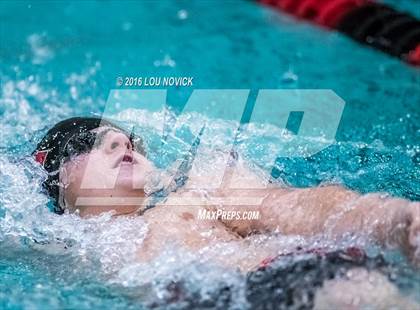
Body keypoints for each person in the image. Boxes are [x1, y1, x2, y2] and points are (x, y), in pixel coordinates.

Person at [33, 116, 420, 308]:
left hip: (287, 283)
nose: (121, 139)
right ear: (59, 185)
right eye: (87, 142)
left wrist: (397, 219)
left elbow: (296, 208)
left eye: (126, 137)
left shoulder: (200, 190)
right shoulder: (58, 246)